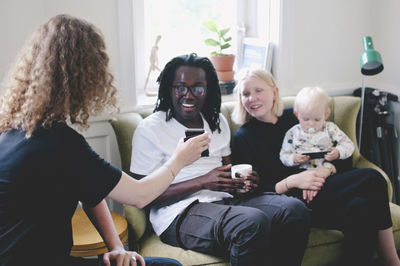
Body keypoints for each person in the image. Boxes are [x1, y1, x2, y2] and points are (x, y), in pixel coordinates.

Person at [0, 15, 210, 266]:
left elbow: (91, 189)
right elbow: (140, 195)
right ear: (84, 76)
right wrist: (179, 160)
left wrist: (117, 247)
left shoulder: (15, 131)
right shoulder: (59, 143)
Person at [130, 53, 310, 266]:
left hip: (225, 200)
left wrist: (244, 182)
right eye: (180, 87)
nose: (188, 95)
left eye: (197, 88)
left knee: (294, 210)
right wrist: (203, 181)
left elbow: (228, 170)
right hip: (179, 212)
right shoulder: (151, 128)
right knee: (250, 222)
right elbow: (140, 195)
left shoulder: (217, 122)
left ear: (208, 91)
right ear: (169, 89)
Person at [231, 68, 400, 266]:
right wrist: (292, 181)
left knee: (360, 208)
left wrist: (323, 171)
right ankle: (392, 260)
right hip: (290, 205)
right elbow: (250, 194)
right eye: (245, 94)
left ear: (275, 92)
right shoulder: (243, 138)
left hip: (323, 190)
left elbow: (342, 156)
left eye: (258, 90)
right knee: (374, 179)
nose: (252, 98)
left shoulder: (299, 117)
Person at [280, 86, 355, 202]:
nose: (311, 124)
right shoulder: (292, 133)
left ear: (325, 115)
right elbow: (284, 155)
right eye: (305, 119)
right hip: (303, 174)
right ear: (297, 114)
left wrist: (338, 152)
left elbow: (349, 145)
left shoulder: (330, 129)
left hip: (328, 172)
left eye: (316, 119)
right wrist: (293, 158)